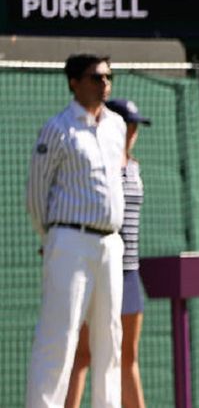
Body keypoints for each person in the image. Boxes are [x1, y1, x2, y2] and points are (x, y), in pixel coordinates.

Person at [25, 54, 127, 408]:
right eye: (96, 77)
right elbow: (36, 193)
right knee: (59, 336)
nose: (105, 83)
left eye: (108, 76)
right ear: (74, 82)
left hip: (111, 243)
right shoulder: (58, 128)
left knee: (110, 338)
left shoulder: (116, 125)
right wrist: (51, 236)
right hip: (69, 240)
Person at [65, 99, 152, 408]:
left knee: (127, 355)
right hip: (100, 269)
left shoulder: (135, 166)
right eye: (127, 124)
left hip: (130, 274)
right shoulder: (99, 165)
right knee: (83, 354)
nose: (132, 131)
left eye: (135, 126)